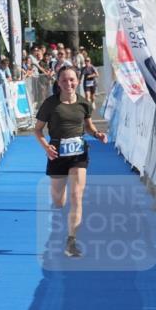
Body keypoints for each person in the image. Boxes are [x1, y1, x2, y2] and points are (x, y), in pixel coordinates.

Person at [34, 65, 108, 258]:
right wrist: (46, 147)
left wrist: (97, 134)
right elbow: (37, 130)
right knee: (59, 201)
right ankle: (63, 212)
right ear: (58, 83)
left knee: (77, 197)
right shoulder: (50, 104)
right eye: (64, 80)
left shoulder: (83, 103)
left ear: (78, 81)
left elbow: (89, 127)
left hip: (78, 154)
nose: (69, 83)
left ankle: (71, 241)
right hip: (57, 154)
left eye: (72, 79)